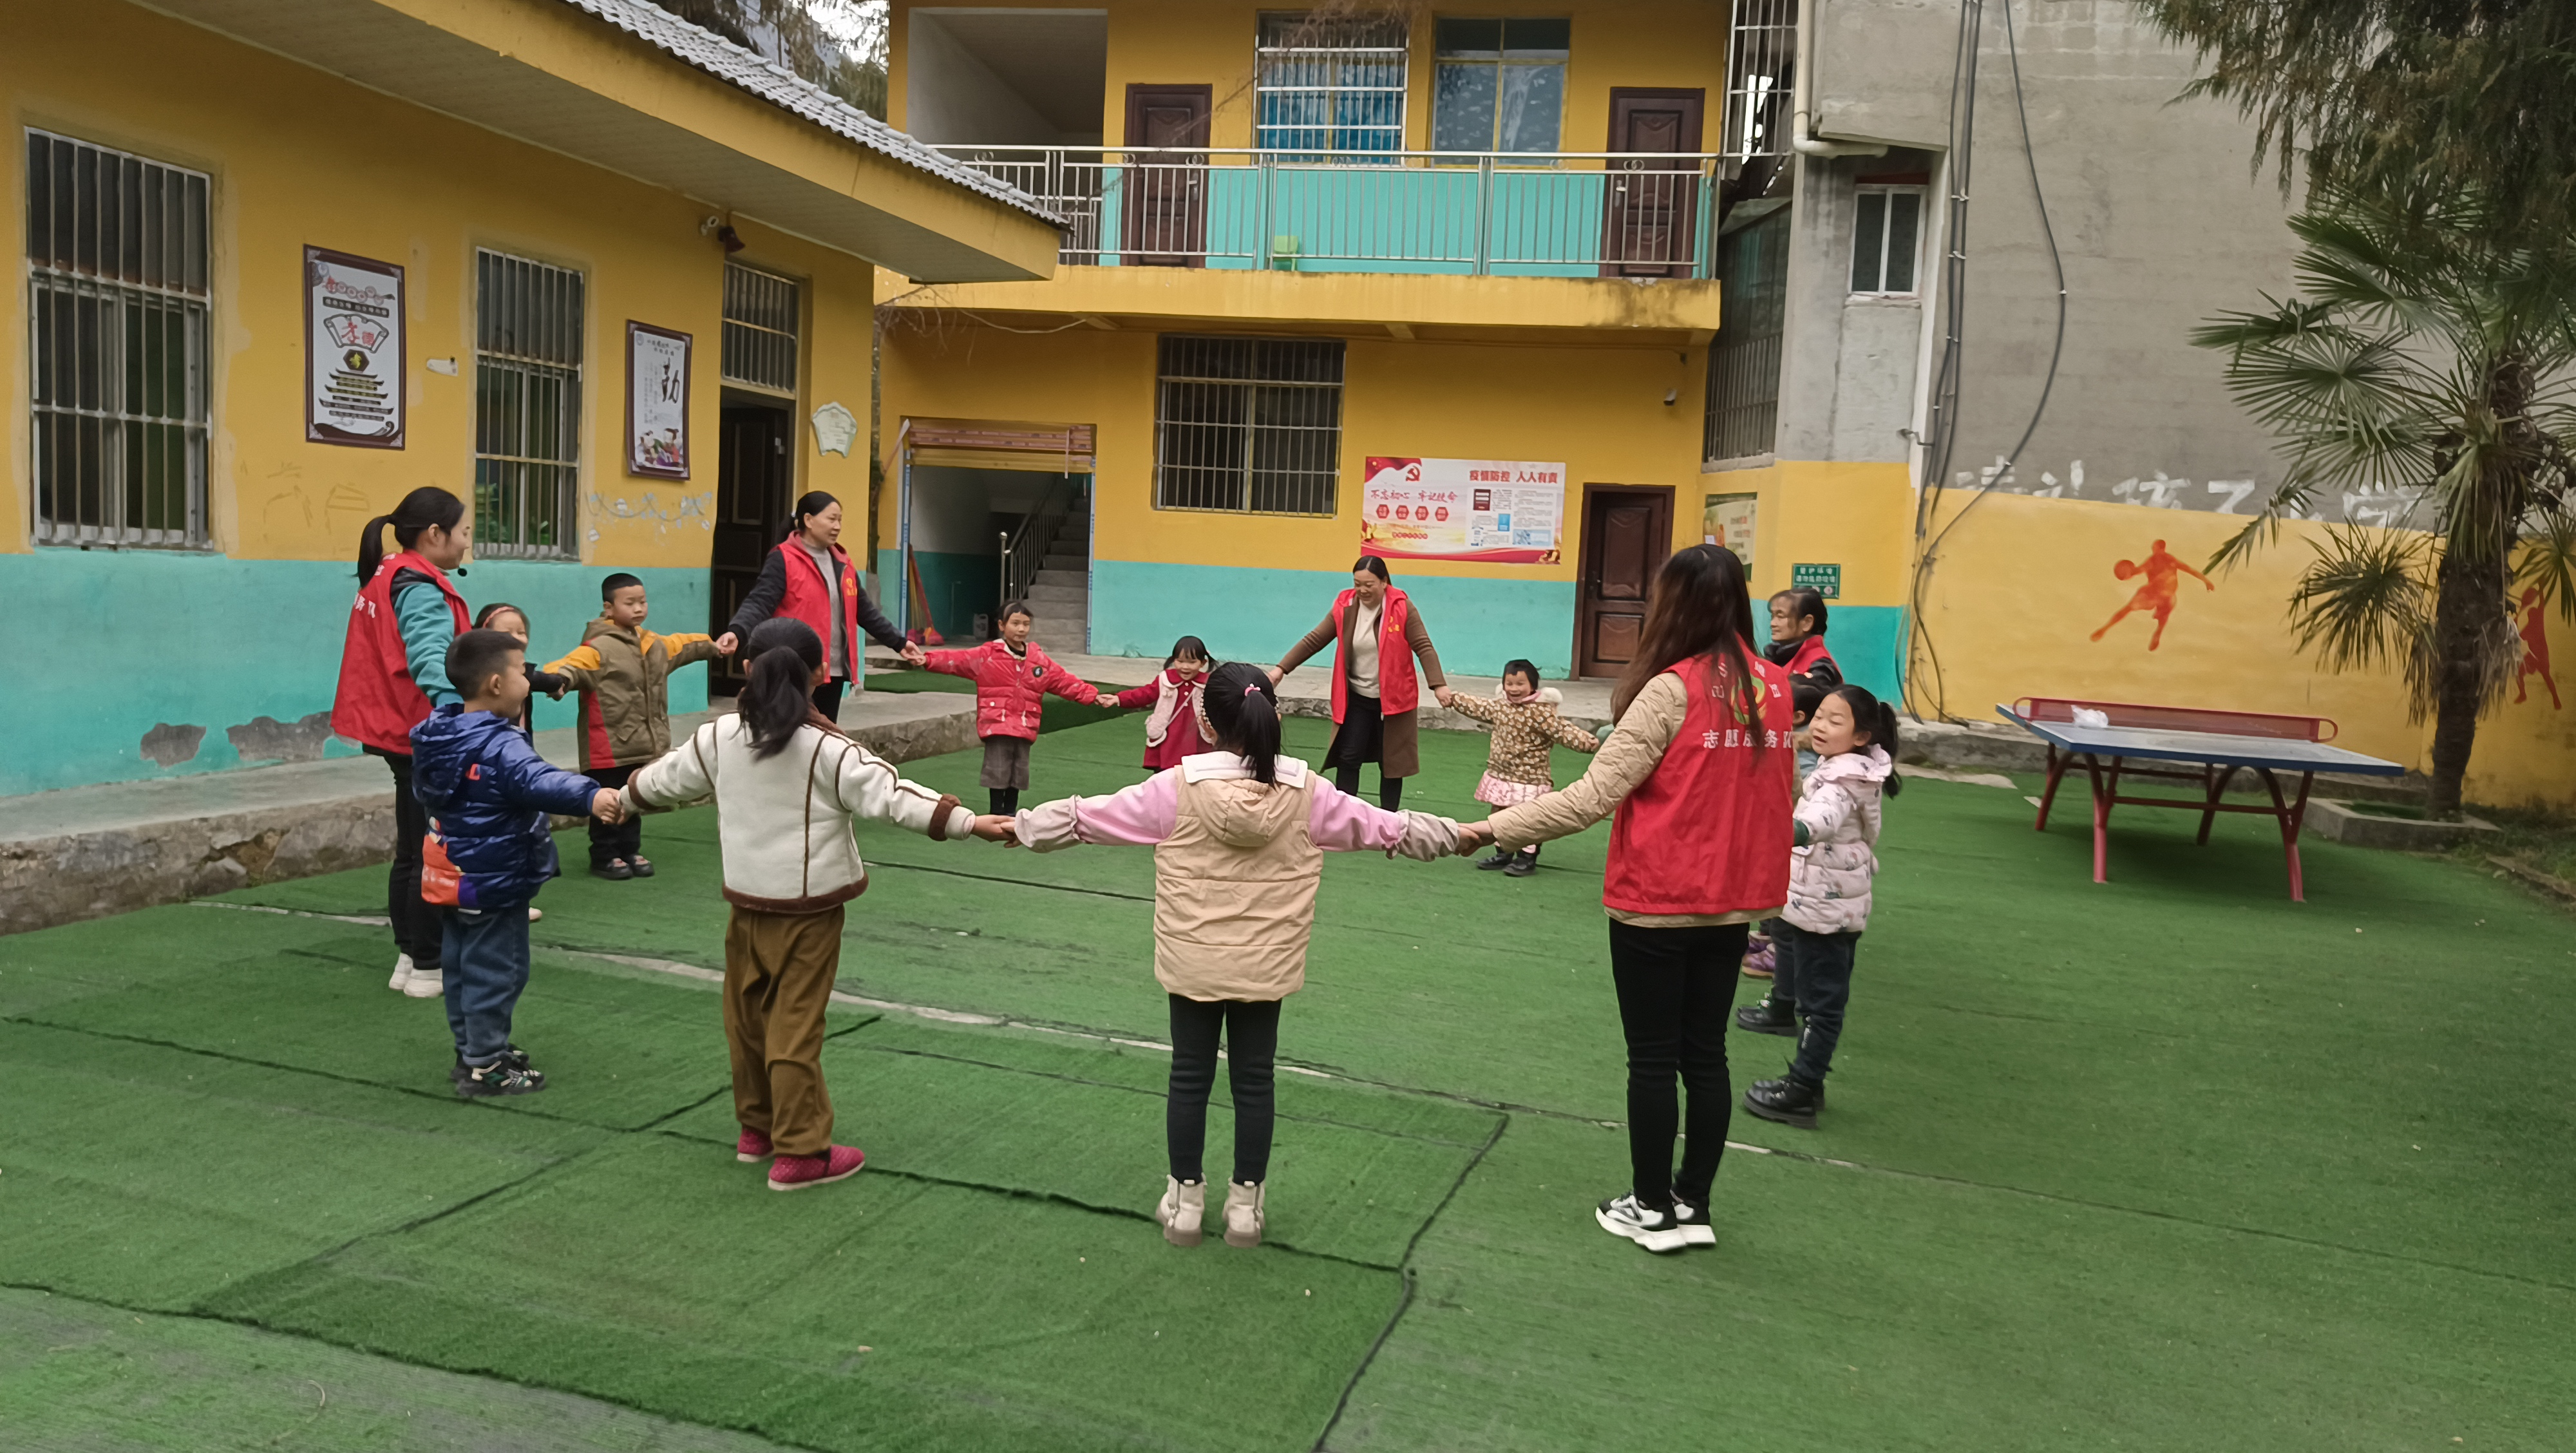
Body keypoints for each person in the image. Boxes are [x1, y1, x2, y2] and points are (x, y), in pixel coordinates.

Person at [980, 663, 1459, 1248]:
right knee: (1255, 1080)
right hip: (1267, 964)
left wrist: (1019, 825)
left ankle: (1184, 1204)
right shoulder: (1309, 794)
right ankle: (1245, 1209)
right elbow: (1389, 829)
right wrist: (1466, 834)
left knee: (1190, 1075)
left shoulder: (1174, 788)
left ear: (1208, 721)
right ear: (1272, 715)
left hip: (1194, 961)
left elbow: (1087, 817)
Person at [1455, 545, 1795, 1254]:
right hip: (1731, 904)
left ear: (1675, 604)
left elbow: (1588, 798)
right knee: (1705, 1055)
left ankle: (1649, 1206)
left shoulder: (1670, 690)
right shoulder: (1773, 684)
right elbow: (1777, 793)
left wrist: (1487, 829)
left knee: (1653, 1057)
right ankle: (1692, 1203)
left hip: (1659, 901)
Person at [621, 619, 1011, 1190]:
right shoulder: (830, 749)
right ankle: (801, 1151)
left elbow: (662, 781)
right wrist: (968, 822)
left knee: (747, 1017)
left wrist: (618, 798)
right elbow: (892, 795)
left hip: (747, 906)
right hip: (808, 912)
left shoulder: (717, 737)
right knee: (794, 1025)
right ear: (817, 677)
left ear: (749, 669)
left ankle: (758, 1130)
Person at [408, 629, 625, 1097]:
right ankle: (487, 1065)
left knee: (462, 965)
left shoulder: (438, 735)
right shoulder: (500, 744)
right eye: (522, 673)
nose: (530, 681)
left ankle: (473, 1050)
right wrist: (593, 795)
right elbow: (538, 780)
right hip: (493, 878)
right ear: (495, 684)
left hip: (453, 873)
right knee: (498, 969)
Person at [1733, 684, 1900, 1129]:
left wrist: (1785, 830)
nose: (1821, 726)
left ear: (1862, 735)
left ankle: (1804, 1087)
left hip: (1826, 907)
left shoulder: (1844, 780)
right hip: (1810, 895)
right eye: (1821, 716)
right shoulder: (1840, 766)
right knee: (1786, 940)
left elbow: (1821, 819)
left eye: (1835, 720)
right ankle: (1782, 1007)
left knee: (1823, 1003)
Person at [332, 486, 472, 1002]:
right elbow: (431, 657)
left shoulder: (389, 573)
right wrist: (456, 716)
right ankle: (430, 963)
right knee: (430, 851)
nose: (465, 544)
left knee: (411, 849)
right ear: (434, 535)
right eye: (463, 534)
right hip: (421, 729)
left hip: (398, 727)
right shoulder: (418, 585)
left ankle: (410, 955)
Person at [544, 573, 730, 881]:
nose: (639, 608)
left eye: (642, 601)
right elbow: (569, 667)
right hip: (607, 746)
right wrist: (555, 681)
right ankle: (604, 855)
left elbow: (685, 645)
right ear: (609, 608)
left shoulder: (654, 644)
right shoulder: (598, 648)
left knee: (631, 797)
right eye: (630, 603)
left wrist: (714, 646)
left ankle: (629, 850)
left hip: (641, 744)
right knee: (607, 801)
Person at [714, 491, 923, 722]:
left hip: (832, 671)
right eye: (831, 519)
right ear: (808, 520)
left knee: (824, 734)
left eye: (840, 520)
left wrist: (899, 643)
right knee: (787, 733)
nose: (837, 526)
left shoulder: (843, 563)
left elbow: (865, 612)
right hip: (793, 670)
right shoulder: (783, 558)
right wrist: (737, 631)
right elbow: (760, 601)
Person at [1268, 555, 1450, 810]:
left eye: (1369, 584)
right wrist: (1280, 670)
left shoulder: (1402, 608)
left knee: (1391, 765)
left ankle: (1389, 821)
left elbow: (1424, 646)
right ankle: (1347, 818)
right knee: (1348, 758)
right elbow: (1315, 639)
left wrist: (1438, 684)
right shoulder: (1345, 606)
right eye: (1357, 584)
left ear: (1384, 582)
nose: (1362, 590)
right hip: (1356, 698)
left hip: (1395, 702)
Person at [920, 600, 1110, 815]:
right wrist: (926, 660)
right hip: (997, 723)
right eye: (1016, 623)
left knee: (1019, 771)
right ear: (1002, 626)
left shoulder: (1038, 660)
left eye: (1026, 624)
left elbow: (1063, 681)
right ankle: (996, 812)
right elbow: (956, 660)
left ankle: (1011, 813)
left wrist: (1093, 695)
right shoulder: (987, 655)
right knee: (997, 769)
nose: (1021, 629)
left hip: (1024, 723)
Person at [1444, 658, 1602, 877]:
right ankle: (1503, 853)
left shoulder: (1541, 713)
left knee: (1528, 818)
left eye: (1520, 684)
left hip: (1530, 778)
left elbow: (1562, 730)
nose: (1514, 689)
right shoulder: (1500, 707)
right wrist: (1453, 699)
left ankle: (1527, 858)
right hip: (1501, 775)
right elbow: (1478, 706)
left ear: (1533, 686)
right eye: (1509, 684)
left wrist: (1586, 741)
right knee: (1500, 814)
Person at [1102, 635, 1214, 772]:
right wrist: (1119, 698)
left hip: (1197, 738)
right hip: (1169, 737)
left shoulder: (1209, 683)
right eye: (1180, 661)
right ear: (1173, 660)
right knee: (1164, 774)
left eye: (1191, 662)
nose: (1185, 667)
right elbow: (1145, 694)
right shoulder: (1165, 679)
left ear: (1202, 663)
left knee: (1196, 774)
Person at [471, 603, 569, 740]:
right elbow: (538, 679)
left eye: (521, 632)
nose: (516, 638)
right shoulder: (482, 671)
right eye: (506, 633)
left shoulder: (520, 670)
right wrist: (557, 683)